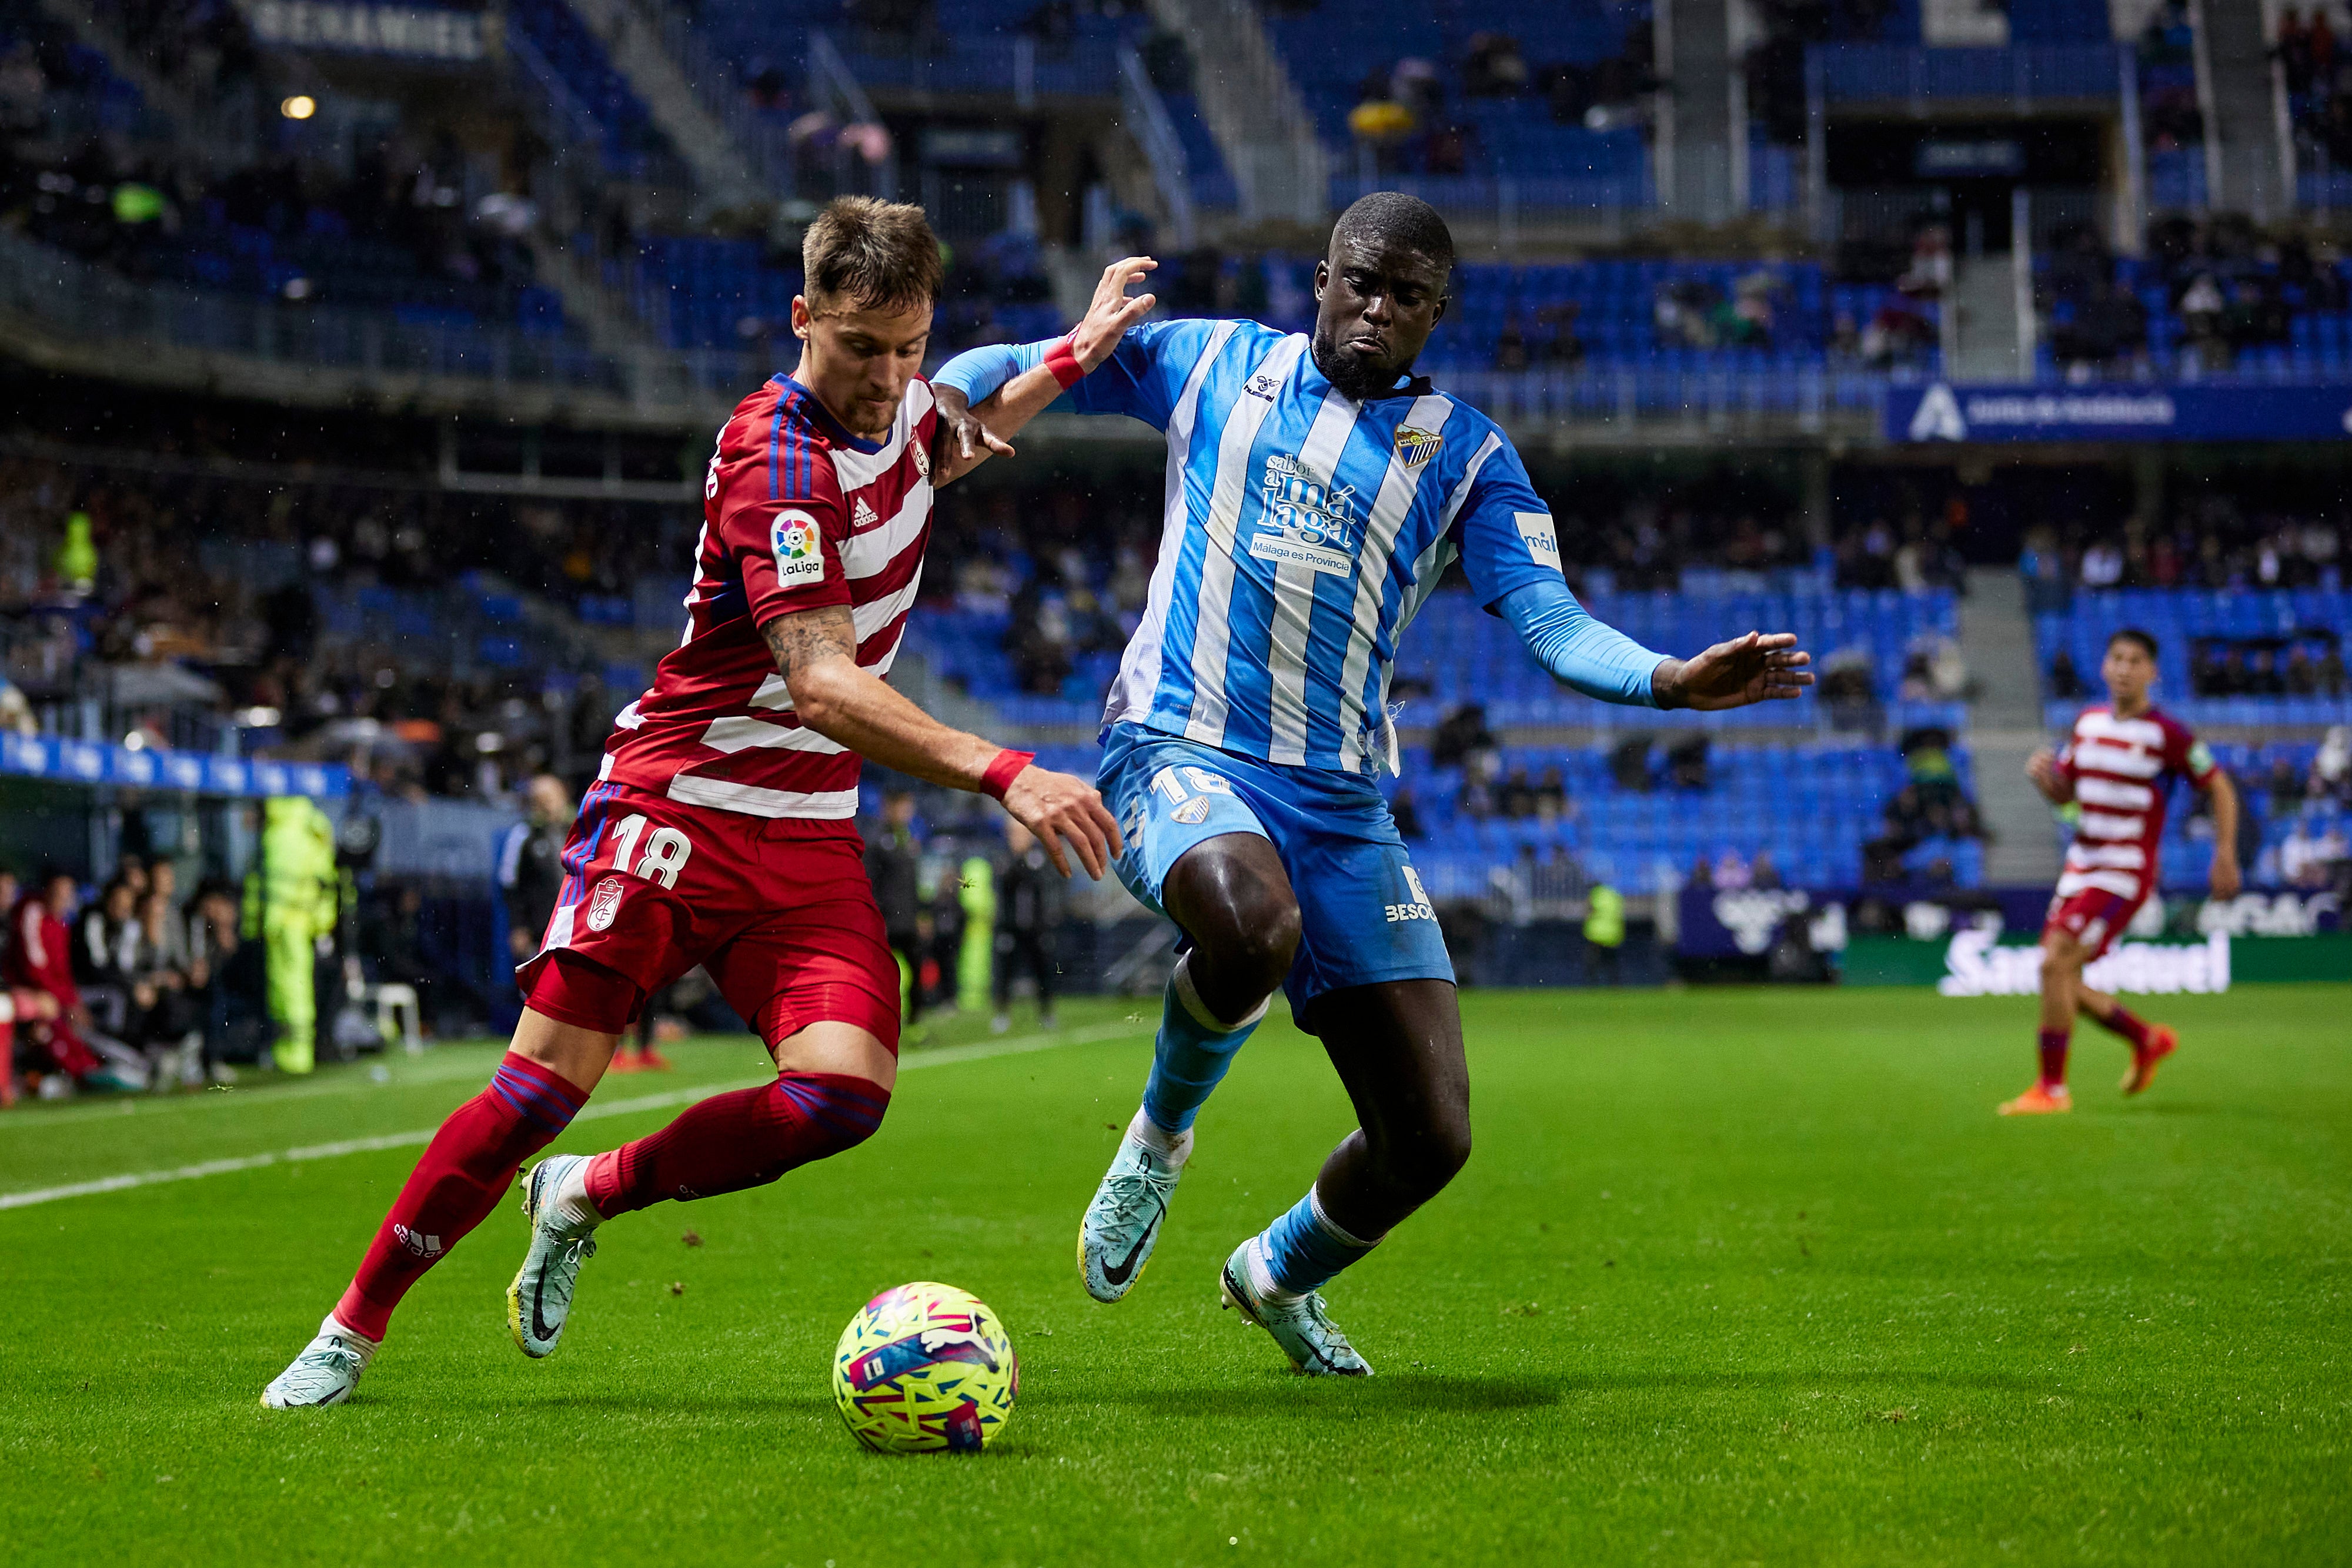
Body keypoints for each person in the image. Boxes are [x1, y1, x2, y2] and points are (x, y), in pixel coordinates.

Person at [259, 196, 1145, 1408]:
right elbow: (823, 682)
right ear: (801, 319)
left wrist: (1078, 348)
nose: (887, 378)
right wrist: (1007, 769)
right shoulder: (772, 457)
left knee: (840, 1095)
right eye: (860, 350)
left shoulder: (905, 411)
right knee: (534, 1091)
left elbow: (963, 423)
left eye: (906, 349)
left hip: (805, 834)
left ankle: (587, 1194)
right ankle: (348, 1330)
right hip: (677, 807)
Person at [932, 191, 1812, 1375]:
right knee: (1245, 923)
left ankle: (1272, 1273)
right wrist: (940, 397)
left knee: (1429, 1137)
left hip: (1342, 800)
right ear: (1320, 280)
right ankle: (1157, 1136)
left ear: (1434, 315)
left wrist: (1665, 677)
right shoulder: (1214, 363)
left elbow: (1547, 621)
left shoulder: (1466, 457)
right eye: (1359, 282)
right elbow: (1034, 356)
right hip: (1177, 746)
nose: (1375, 309)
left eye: (1404, 297)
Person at [2004, 628, 2240, 1116]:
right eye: (2117, 658)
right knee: (2059, 976)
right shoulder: (2087, 723)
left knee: (2055, 966)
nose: (2125, 667)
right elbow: (2068, 795)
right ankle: (2146, 1039)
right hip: (2080, 867)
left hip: (2123, 871)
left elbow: (2219, 786)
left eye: (2136, 660)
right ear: (2105, 666)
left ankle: (2051, 1089)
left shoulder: (2168, 735)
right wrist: (2046, 782)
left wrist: (2226, 852)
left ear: (2152, 671)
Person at [991, 814, 1063, 1033]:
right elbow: (1003, 883)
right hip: (1010, 927)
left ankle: (1047, 1012)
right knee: (1005, 972)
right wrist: (1018, 859)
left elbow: (1047, 883)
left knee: (1043, 971)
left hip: (1036, 927)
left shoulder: (1040, 857)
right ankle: (1002, 1014)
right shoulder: (1003, 858)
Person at [866, 790, 923, 1024]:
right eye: (902, 807)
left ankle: (914, 1023)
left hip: (909, 921)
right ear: (888, 808)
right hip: (887, 922)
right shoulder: (877, 842)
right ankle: (880, 1022)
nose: (906, 812)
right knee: (883, 977)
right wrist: (878, 920)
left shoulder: (909, 840)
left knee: (916, 974)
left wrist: (922, 914)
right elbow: (872, 883)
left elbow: (913, 884)